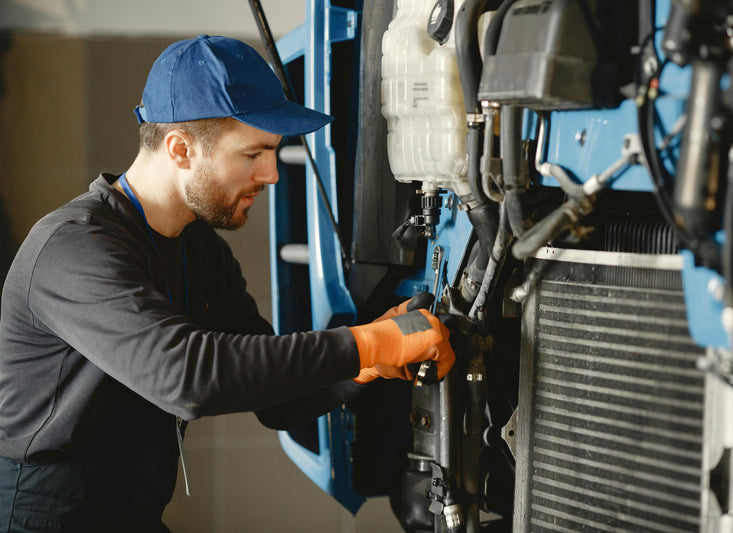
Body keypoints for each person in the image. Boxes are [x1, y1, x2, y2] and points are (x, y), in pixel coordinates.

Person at [0, 35, 455, 532]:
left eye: (274, 152)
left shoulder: (199, 249)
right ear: (179, 149)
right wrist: (363, 344)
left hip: (132, 512)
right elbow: (187, 378)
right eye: (254, 153)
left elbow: (276, 399)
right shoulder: (73, 248)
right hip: (45, 516)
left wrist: (366, 366)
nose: (272, 174)